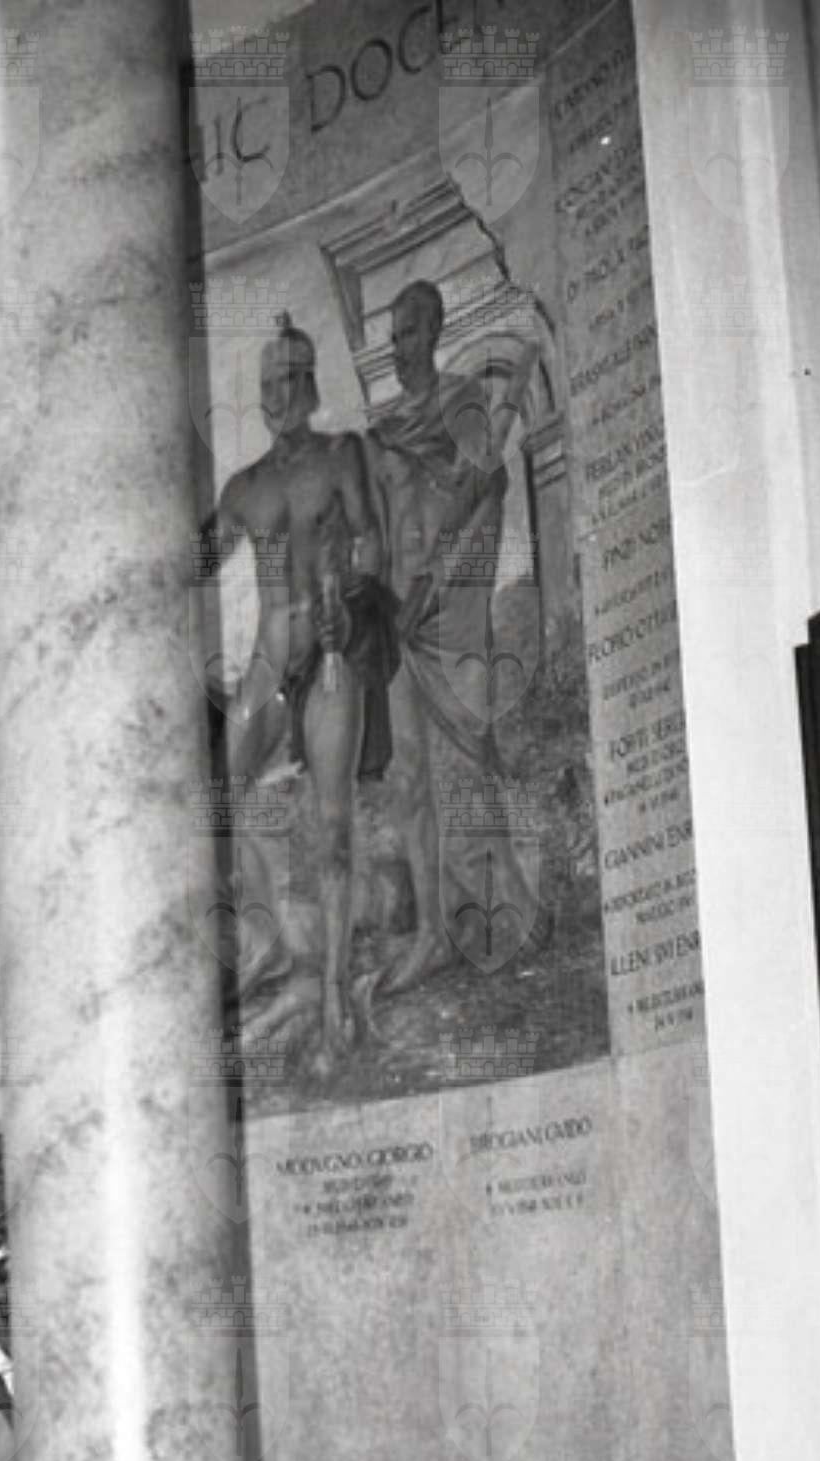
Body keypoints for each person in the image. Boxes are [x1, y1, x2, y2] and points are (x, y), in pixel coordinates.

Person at [197, 315, 394, 1069]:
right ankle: (264, 944)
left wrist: (356, 590)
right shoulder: (245, 487)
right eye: (267, 385)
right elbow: (194, 560)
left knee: (332, 825)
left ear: (310, 386)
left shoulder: (341, 455)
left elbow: (371, 539)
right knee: (216, 799)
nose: (276, 397)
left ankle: (336, 990)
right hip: (268, 661)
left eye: (287, 381)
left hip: (332, 654)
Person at [366, 279, 539, 997]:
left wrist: (441, 588)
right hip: (397, 619)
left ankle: (504, 915)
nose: (399, 346)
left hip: (446, 618)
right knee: (409, 776)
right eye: (393, 335)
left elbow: (483, 493)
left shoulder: (461, 400)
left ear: (434, 331)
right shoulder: (382, 431)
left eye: (409, 332)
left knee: (464, 767)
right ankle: (434, 934)